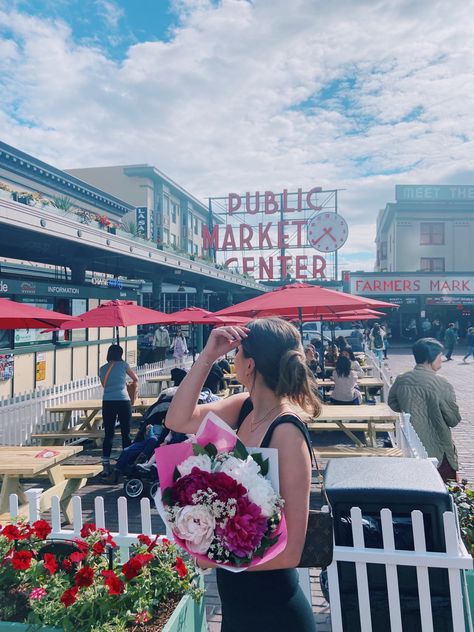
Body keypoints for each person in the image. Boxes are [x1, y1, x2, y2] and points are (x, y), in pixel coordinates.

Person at [165, 318, 320, 632]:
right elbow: (178, 419)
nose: (231, 360)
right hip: (237, 608)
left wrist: (216, 558)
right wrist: (206, 357)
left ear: (249, 365)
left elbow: (292, 553)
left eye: (235, 355)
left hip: (275, 613)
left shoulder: (287, 431)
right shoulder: (245, 407)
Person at [388, 338, 461, 482]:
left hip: (412, 445)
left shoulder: (402, 379)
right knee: (446, 488)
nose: (441, 359)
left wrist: (410, 407)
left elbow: (393, 403)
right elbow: (453, 419)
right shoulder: (441, 383)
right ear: (431, 358)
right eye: (440, 356)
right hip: (438, 447)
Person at [99, 344, 138, 477]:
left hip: (108, 401)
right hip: (123, 400)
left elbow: (105, 385)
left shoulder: (102, 369)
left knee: (108, 434)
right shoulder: (124, 365)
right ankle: (126, 463)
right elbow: (135, 379)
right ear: (120, 354)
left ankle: (105, 465)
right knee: (125, 433)